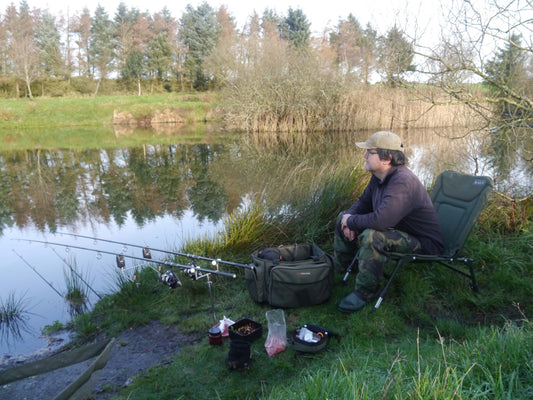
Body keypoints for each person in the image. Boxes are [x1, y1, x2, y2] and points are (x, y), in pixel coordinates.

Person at [335, 131, 444, 312]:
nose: (364, 156)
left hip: (424, 242)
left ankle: (365, 292)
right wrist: (347, 219)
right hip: (402, 231)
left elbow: (381, 221)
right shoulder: (379, 176)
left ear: (387, 159)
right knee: (342, 216)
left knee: (373, 236)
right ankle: (344, 269)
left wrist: (352, 221)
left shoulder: (402, 182)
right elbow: (363, 203)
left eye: (369, 152)